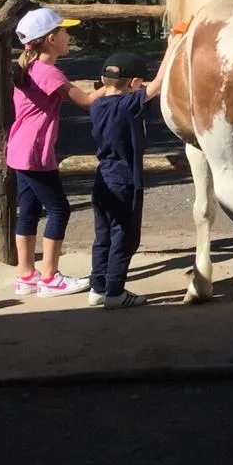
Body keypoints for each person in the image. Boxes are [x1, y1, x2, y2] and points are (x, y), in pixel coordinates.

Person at [7, 7, 101, 297]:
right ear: (50, 39)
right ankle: (49, 277)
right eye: (63, 31)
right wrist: (117, 87)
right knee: (60, 209)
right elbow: (85, 100)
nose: (68, 35)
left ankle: (26, 275)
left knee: (30, 210)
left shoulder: (31, 69)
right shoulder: (48, 72)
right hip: (36, 152)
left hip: (20, 150)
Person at [87, 50, 165, 308]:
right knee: (125, 237)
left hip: (102, 180)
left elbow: (139, 89)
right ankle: (115, 292)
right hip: (124, 181)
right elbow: (156, 86)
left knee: (103, 237)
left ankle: (97, 288)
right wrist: (174, 47)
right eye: (138, 83)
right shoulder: (127, 105)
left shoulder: (97, 105)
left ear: (103, 79)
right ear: (133, 84)